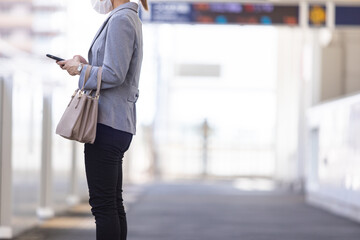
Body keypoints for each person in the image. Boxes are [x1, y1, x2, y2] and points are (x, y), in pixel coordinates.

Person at [57, 0, 147, 239]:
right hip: (117, 123)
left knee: (104, 206)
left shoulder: (120, 20)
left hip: (107, 123)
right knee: (112, 204)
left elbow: (114, 74)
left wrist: (80, 70)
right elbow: (114, 69)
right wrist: (86, 65)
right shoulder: (129, 18)